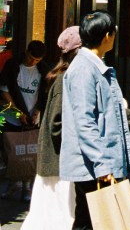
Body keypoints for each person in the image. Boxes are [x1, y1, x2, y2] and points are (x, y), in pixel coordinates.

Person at [60, 11, 130, 229]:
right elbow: (84, 122)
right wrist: (102, 166)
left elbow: (113, 112)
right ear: (107, 36)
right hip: (94, 165)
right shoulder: (84, 69)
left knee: (92, 221)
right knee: (94, 221)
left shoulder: (95, 66)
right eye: (114, 31)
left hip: (99, 163)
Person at [21, 26, 81, 228]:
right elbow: (57, 124)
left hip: (57, 160)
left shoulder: (59, 74)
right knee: (57, 213)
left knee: (51, 212)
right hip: (60, 160)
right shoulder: (65, 78)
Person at [1, 39, 48, 202]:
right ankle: (13, 181)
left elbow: (44, 95)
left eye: (37, 60)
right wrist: (17, 113)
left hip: (32, 118)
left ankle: (26, 186)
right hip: (13, 116)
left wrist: (36, 112)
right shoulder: (13, 65)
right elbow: (5, 91)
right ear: (26, 52)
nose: (33, 62)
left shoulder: (42, 70)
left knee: (30, 152)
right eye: (31, 58)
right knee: (11, 151)